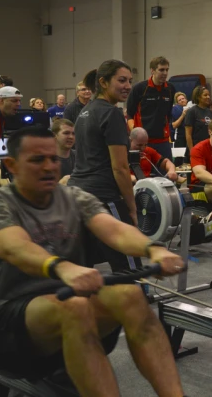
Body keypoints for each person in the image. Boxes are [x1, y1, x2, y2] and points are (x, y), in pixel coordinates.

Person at [0, 126, 187, 397]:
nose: (49, 166)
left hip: (68, 312)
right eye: (37, 160)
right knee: (74, 306)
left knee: (130, 295)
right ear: (12, 165)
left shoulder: (72, 197)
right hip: (10, 326)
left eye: (53, 159)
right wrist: (61, 267)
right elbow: (15, 247)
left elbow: (113, 229)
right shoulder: (4, 203)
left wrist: (153, 250)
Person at [68, 60, 140, 272]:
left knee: (83, 268)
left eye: (130, 81)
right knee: (129, 263)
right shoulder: (112, 113)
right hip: (103, 196)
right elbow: (120, 168)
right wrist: (132, 208)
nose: (127, 86)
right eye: (121, 80)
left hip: (76, 195)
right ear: (103, 82)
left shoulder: (85, 112)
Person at [126, 57, 175, 161]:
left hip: (163, 141)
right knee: (145, 175)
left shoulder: (170, 88)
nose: (165, 73)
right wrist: (135, 132)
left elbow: (168, 113)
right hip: (144, 142)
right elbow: (130, 113)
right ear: (152, 70)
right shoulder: (140, 88)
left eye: (167, 69)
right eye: (161, 70)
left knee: (166, 174)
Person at [184, 86, 212, 158]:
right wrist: (192, 151)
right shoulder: (192, 111)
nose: (208, 97)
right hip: (196, 148)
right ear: (198, 97)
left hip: (208, 149)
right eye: (205, 95)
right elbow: (188, 135)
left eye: (209, 95)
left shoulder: (211, 112)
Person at [51, 119, 76, 184]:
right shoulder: (47, 161)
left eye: (73, 134)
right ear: (54, 136)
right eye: (66, 133)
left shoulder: (80, 157)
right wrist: (61, 184)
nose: (71, 137)